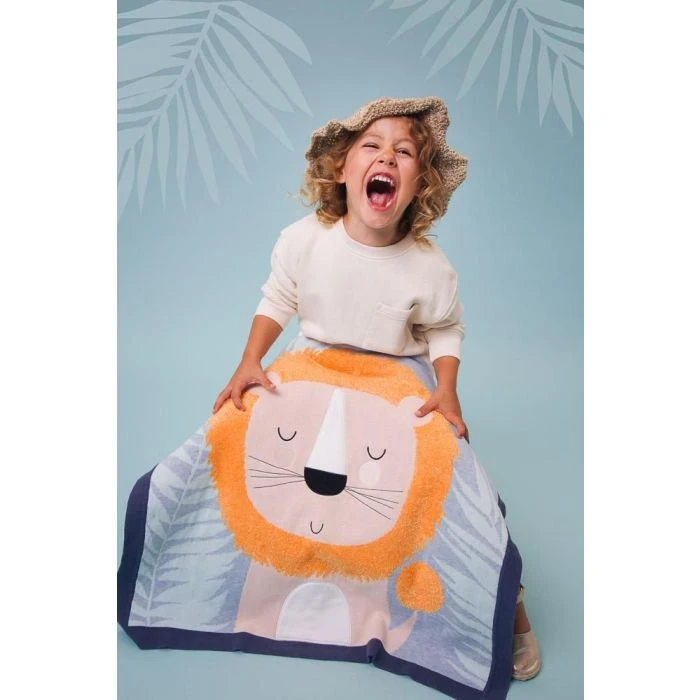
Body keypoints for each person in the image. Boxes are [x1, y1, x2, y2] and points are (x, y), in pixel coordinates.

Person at [211, 96, 541, 681]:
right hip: (314, 369)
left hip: (394, 378)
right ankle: (245, 580)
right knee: (236, 432)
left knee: (453, 471)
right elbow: (279, 297)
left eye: (404, 152)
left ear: (419, 186)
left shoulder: (429, 267)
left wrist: (447, 389)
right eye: (371, 145)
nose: (387, 156)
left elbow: (444, 328)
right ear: (342, 169)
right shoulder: (304, 239)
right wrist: (249, 361)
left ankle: (506, 599)